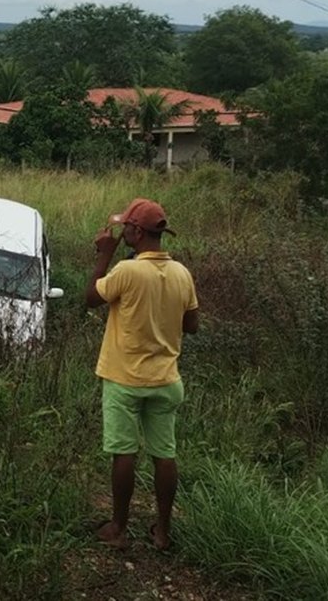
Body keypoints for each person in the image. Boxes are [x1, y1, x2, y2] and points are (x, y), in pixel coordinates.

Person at [85, 198, 199, 551]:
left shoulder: (127, 271)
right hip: (166, 380)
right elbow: (192, 325)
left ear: (136, 232)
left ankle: (118, 527)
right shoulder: (181, 273)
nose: (121, 233)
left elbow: (90, 298)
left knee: (124, 453)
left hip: (125, 379)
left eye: (125, 228)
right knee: (164, 455)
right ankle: (162, 532)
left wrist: (104, 254)